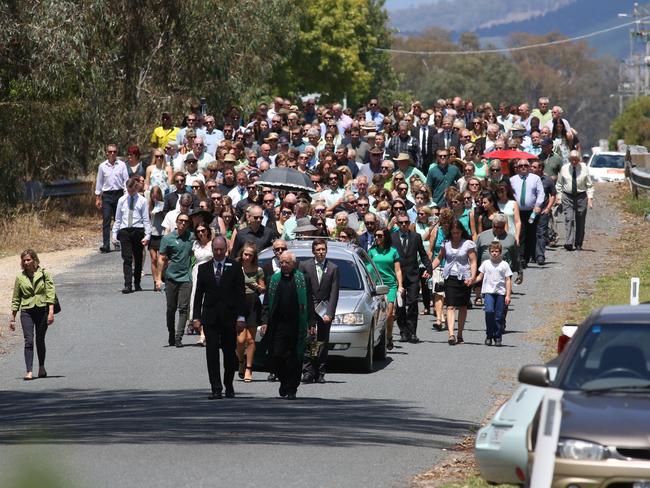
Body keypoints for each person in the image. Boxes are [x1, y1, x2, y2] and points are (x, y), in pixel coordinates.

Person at [192, 236, 246, 399]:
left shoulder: (235, 267)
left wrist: (241, 317)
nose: (219, 252)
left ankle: (228, 385)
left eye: (221, 249)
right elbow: (198, 295)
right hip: (210, 318)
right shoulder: (204, 268)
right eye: (215, 249)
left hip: (230, 318)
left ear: (226, 249)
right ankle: (216, 387)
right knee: (212, 352)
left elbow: (240, 295)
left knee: (229, 353)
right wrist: (196, 317)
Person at [260, 252, 315, 400]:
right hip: (278, 325)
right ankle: (284, 381)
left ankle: (292, 388)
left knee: (295, 358)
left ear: (294, 264)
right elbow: (266, 304)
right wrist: (264, 321)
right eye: (282, 262)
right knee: (276, 356)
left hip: (297, 324)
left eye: (287, 262)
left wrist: (311, 322)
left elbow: (309, 302)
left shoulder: (303, 279)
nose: (284, 265)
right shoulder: (273, 280)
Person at [10, 249, 56, 380]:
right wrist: (12, 317)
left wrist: (51, 312)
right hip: (26, 310)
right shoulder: (20, 277)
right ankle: (29, 371)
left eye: (28, 260)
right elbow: (16, 297)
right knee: (28, 340)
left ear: (35, 260)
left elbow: (50, 293)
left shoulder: (44, 273)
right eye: (24, 260)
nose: (26, 262)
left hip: (42, 310)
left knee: (40, 340)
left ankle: (41, 367)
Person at [299, 239, 340, 384]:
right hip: (309, 309)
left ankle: (321, 371)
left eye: (323, 249)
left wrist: (330, 312)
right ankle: (308, 370)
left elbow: (334, 293)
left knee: (322, 340)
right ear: (313, 251)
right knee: (310, 340)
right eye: (318, 250)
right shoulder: (304, 266)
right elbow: (302, 288)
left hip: (324, 310)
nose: (321, 252)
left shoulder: (333, 268)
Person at [430, 219, 477, 346]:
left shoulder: (468, 244)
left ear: (461, 232)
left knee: (462, 306)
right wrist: (429, 269)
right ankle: (451, 334)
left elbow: (473, 261)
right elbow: (439, 258)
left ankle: (460, 334)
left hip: (464, 277)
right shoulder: (446, 243)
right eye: (453, 232)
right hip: (450, 276)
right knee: (450, 305)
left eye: (457, 232)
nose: (455, 235)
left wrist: (472, 277)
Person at [392, 214, 432, 343]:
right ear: (397, 224)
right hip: (398, 276)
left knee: (413, 303)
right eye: (401, 222)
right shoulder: (392, 238)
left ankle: (412, 331)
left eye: (406, 222)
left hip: (413, 275)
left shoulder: (416, 237)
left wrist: (429, 268)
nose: (404, 225)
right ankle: (403, 331)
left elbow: (423, 254)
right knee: (400, 305)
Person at [157, 212, 194, 347]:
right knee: (171, 308)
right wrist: (158, 279)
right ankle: (171, 333)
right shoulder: (168, 239)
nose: (183, 223)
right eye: (181, 221)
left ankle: (179, 336)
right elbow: (161, 258)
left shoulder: (191, 237)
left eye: (186, 221)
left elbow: (205, 239)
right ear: (176, 222)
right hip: (171, 278)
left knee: (183, 308)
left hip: (186, 278)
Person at [111, 176, 151, 294]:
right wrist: (114, 234)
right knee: (127, 258)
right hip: (125, 231)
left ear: (136, 187)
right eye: (128, 191)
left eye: (132, 190)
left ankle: (137, 282)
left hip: (138, 230)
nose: (130, 193)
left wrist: (147, 235)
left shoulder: (142, 201)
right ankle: (127, 284)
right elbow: (117, 219)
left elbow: (146, 219)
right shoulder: (122, 200)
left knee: (138, 258)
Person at [368, 228, 404, 351]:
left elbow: (398, 270)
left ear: (386, 237)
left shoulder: (393, 251)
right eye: (375, 235)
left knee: (390, 313)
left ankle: (389, 336)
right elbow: (368, 268)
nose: (377, 238)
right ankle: (379, 336)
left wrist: (400, 285)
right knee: (377, 312)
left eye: (380, 236)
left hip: (390, 285)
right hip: (376, 285)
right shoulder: (372, 251)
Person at [237, 242, 266, 383]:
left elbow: (263, 288)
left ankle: (249, 368)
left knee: (250, 339)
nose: (247, 257)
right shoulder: (236, 268)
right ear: (241, 254)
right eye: (245, 254)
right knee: (240, 340)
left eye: (250, 255)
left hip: (253, 303)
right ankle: (240, 360)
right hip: (239, 303)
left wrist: (258, 287)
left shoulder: (258, 270)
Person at [556, 150, 594, 251]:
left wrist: (590, 199)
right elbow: (559, 184)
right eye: (572, 160)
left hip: (581, 196)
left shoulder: (584, 168)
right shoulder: (564, 168)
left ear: (579, 159)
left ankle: (578, 243)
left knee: (580, 220)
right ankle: (569, 242)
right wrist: (559, 197)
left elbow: (589, 185)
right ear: (569, 160)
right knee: (569, 218)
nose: (574, 162)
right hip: (567, 196)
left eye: (576, 160)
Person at [475, 242, 512, 347]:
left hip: (500, 293)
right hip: (488, 292)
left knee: (499, 316)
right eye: (492, 251)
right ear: (489, 252)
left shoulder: (504, 264)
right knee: (489, 311)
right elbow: (480, 277)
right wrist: (471, 280)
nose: (494, 253)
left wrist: (508, 295)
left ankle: (498, 336)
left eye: (496, 251)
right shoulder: (486, 263)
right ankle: (489, 335)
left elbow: (508, 280)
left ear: (500, 252)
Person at [509, 159, 544, 268]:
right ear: (517, 168)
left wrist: (538, 205)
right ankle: (522, 258)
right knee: (521, 234)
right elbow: (510, 194)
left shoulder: (535, 179)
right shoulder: (512, 180)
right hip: (518, 211)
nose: (523, 167)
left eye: (525, 165)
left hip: (532, 211)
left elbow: (541, 193)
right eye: (521, 166)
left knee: (531, 234)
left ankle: (530, 255)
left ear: (529, 167)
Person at [95, 144, 129, 253]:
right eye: (110, 152)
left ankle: (119, 241)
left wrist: (126, 194)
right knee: (106, 219)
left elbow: (126, 180)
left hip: (119, 194)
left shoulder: (122, 165)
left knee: (118, 219)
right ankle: (106, 244)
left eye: (114, 151)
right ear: (106, 153)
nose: (112, 153)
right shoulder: (102, 166)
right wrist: (98, 197)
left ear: (117, 152)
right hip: (107, 195)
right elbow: (99, 182)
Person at [189, 223, 213, 345]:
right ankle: (202, 334)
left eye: (203, 230)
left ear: (208, 231)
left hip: (210, 273)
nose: (201, 233)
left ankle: (207, 333)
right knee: (197, 300)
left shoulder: (213, 244)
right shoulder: (195, 244)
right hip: (197, 273)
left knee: (208, 302)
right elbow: (192, 259)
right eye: (198, 231)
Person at [531, 159, 557, 264]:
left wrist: (548, 208)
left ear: (540, 168)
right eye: (531, 167)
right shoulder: (529, 179)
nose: (531, 169)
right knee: (531, 233)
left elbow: (553, 195)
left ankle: (540, 256)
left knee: (541, 233)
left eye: (534, 167)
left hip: (543, 211)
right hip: (531, 211)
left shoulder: (548, 180)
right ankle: (532, 255)